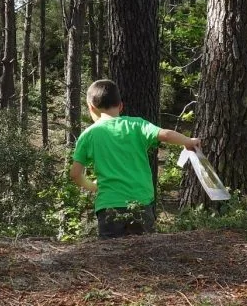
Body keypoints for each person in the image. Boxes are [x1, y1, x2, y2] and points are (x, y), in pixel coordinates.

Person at [70, 79, 200, 238]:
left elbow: (75, 174)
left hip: (108, 205)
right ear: (120, 105)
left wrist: (93, 186)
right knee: (144, 255)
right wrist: (188, 142)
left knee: (109, 256)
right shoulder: (136, 125)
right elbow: (165, 135)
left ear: (91, 107)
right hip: (141, 204)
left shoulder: (88, 135)